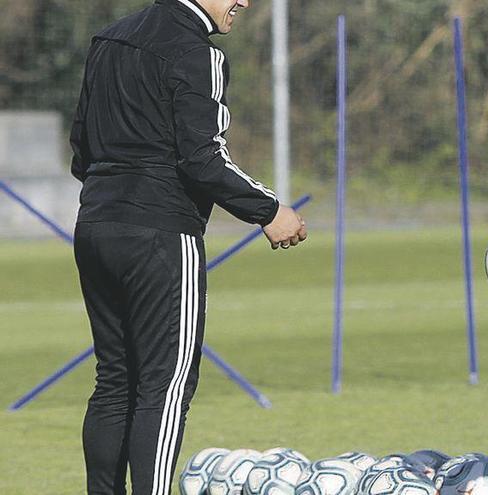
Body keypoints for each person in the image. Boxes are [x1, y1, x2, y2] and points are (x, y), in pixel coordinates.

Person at [68, 0, 307, 493]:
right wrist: (268, 209)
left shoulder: (108, 39)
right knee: (165, 386)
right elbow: (203, 159)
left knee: (114, 381)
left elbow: (81, 145)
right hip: (160, 234)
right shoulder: (197, 52)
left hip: (94, 225)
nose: (245, 1)